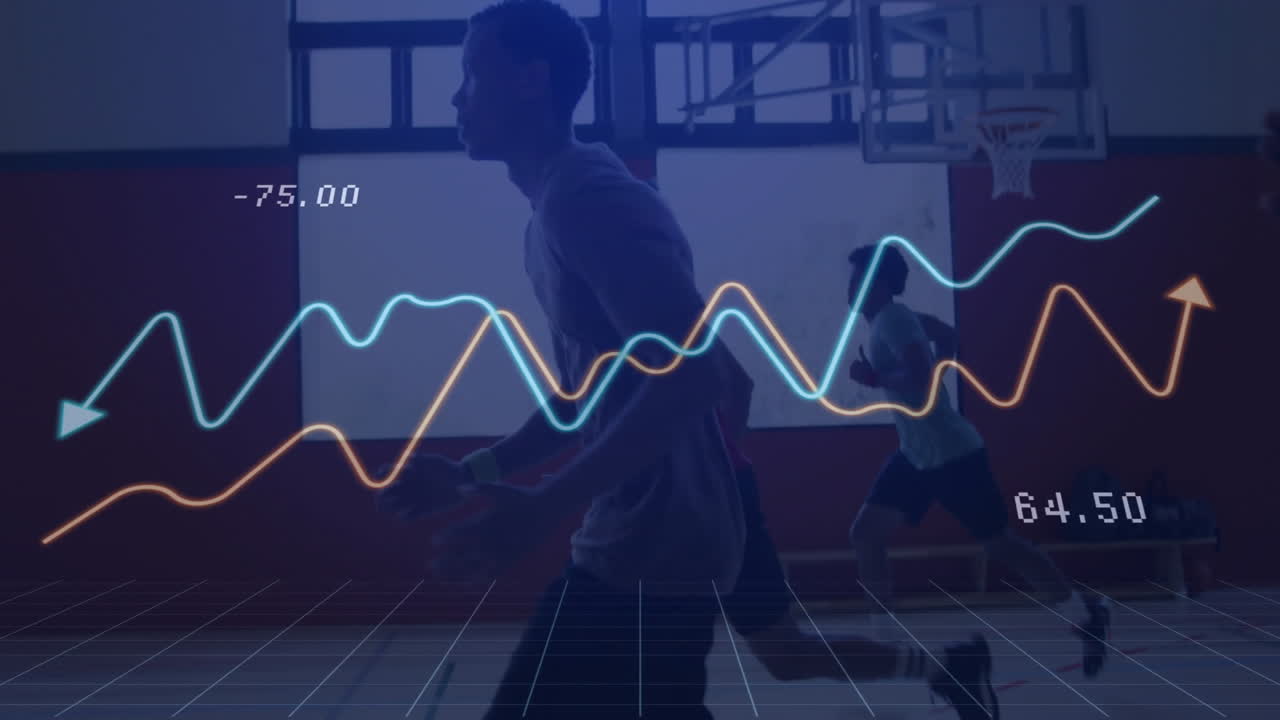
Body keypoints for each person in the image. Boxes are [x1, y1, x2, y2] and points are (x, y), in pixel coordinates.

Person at [379, 2, 996, 717]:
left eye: (471, 74)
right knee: (767, 660)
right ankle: (949, 670)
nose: (457, 97)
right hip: (642, 538)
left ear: (529, 80)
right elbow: (588, 396)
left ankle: (946, 669)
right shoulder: (552, 213)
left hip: (651, 545)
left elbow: (700, 377)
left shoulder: (590, 199)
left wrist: (552, 503)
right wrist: (473, 471)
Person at [844, 243, 1112, 677]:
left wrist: (878, 379)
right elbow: (947, 336)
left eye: (856, 279)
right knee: (866, 534)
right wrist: (931, 379)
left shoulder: (893, 319)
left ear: (877, 283)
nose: (850, 287)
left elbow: (922, 375)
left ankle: (1087, 614)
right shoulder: (893, 319)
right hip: (917, 454)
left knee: (1000, 544)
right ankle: (885, 641)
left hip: (952, 454)